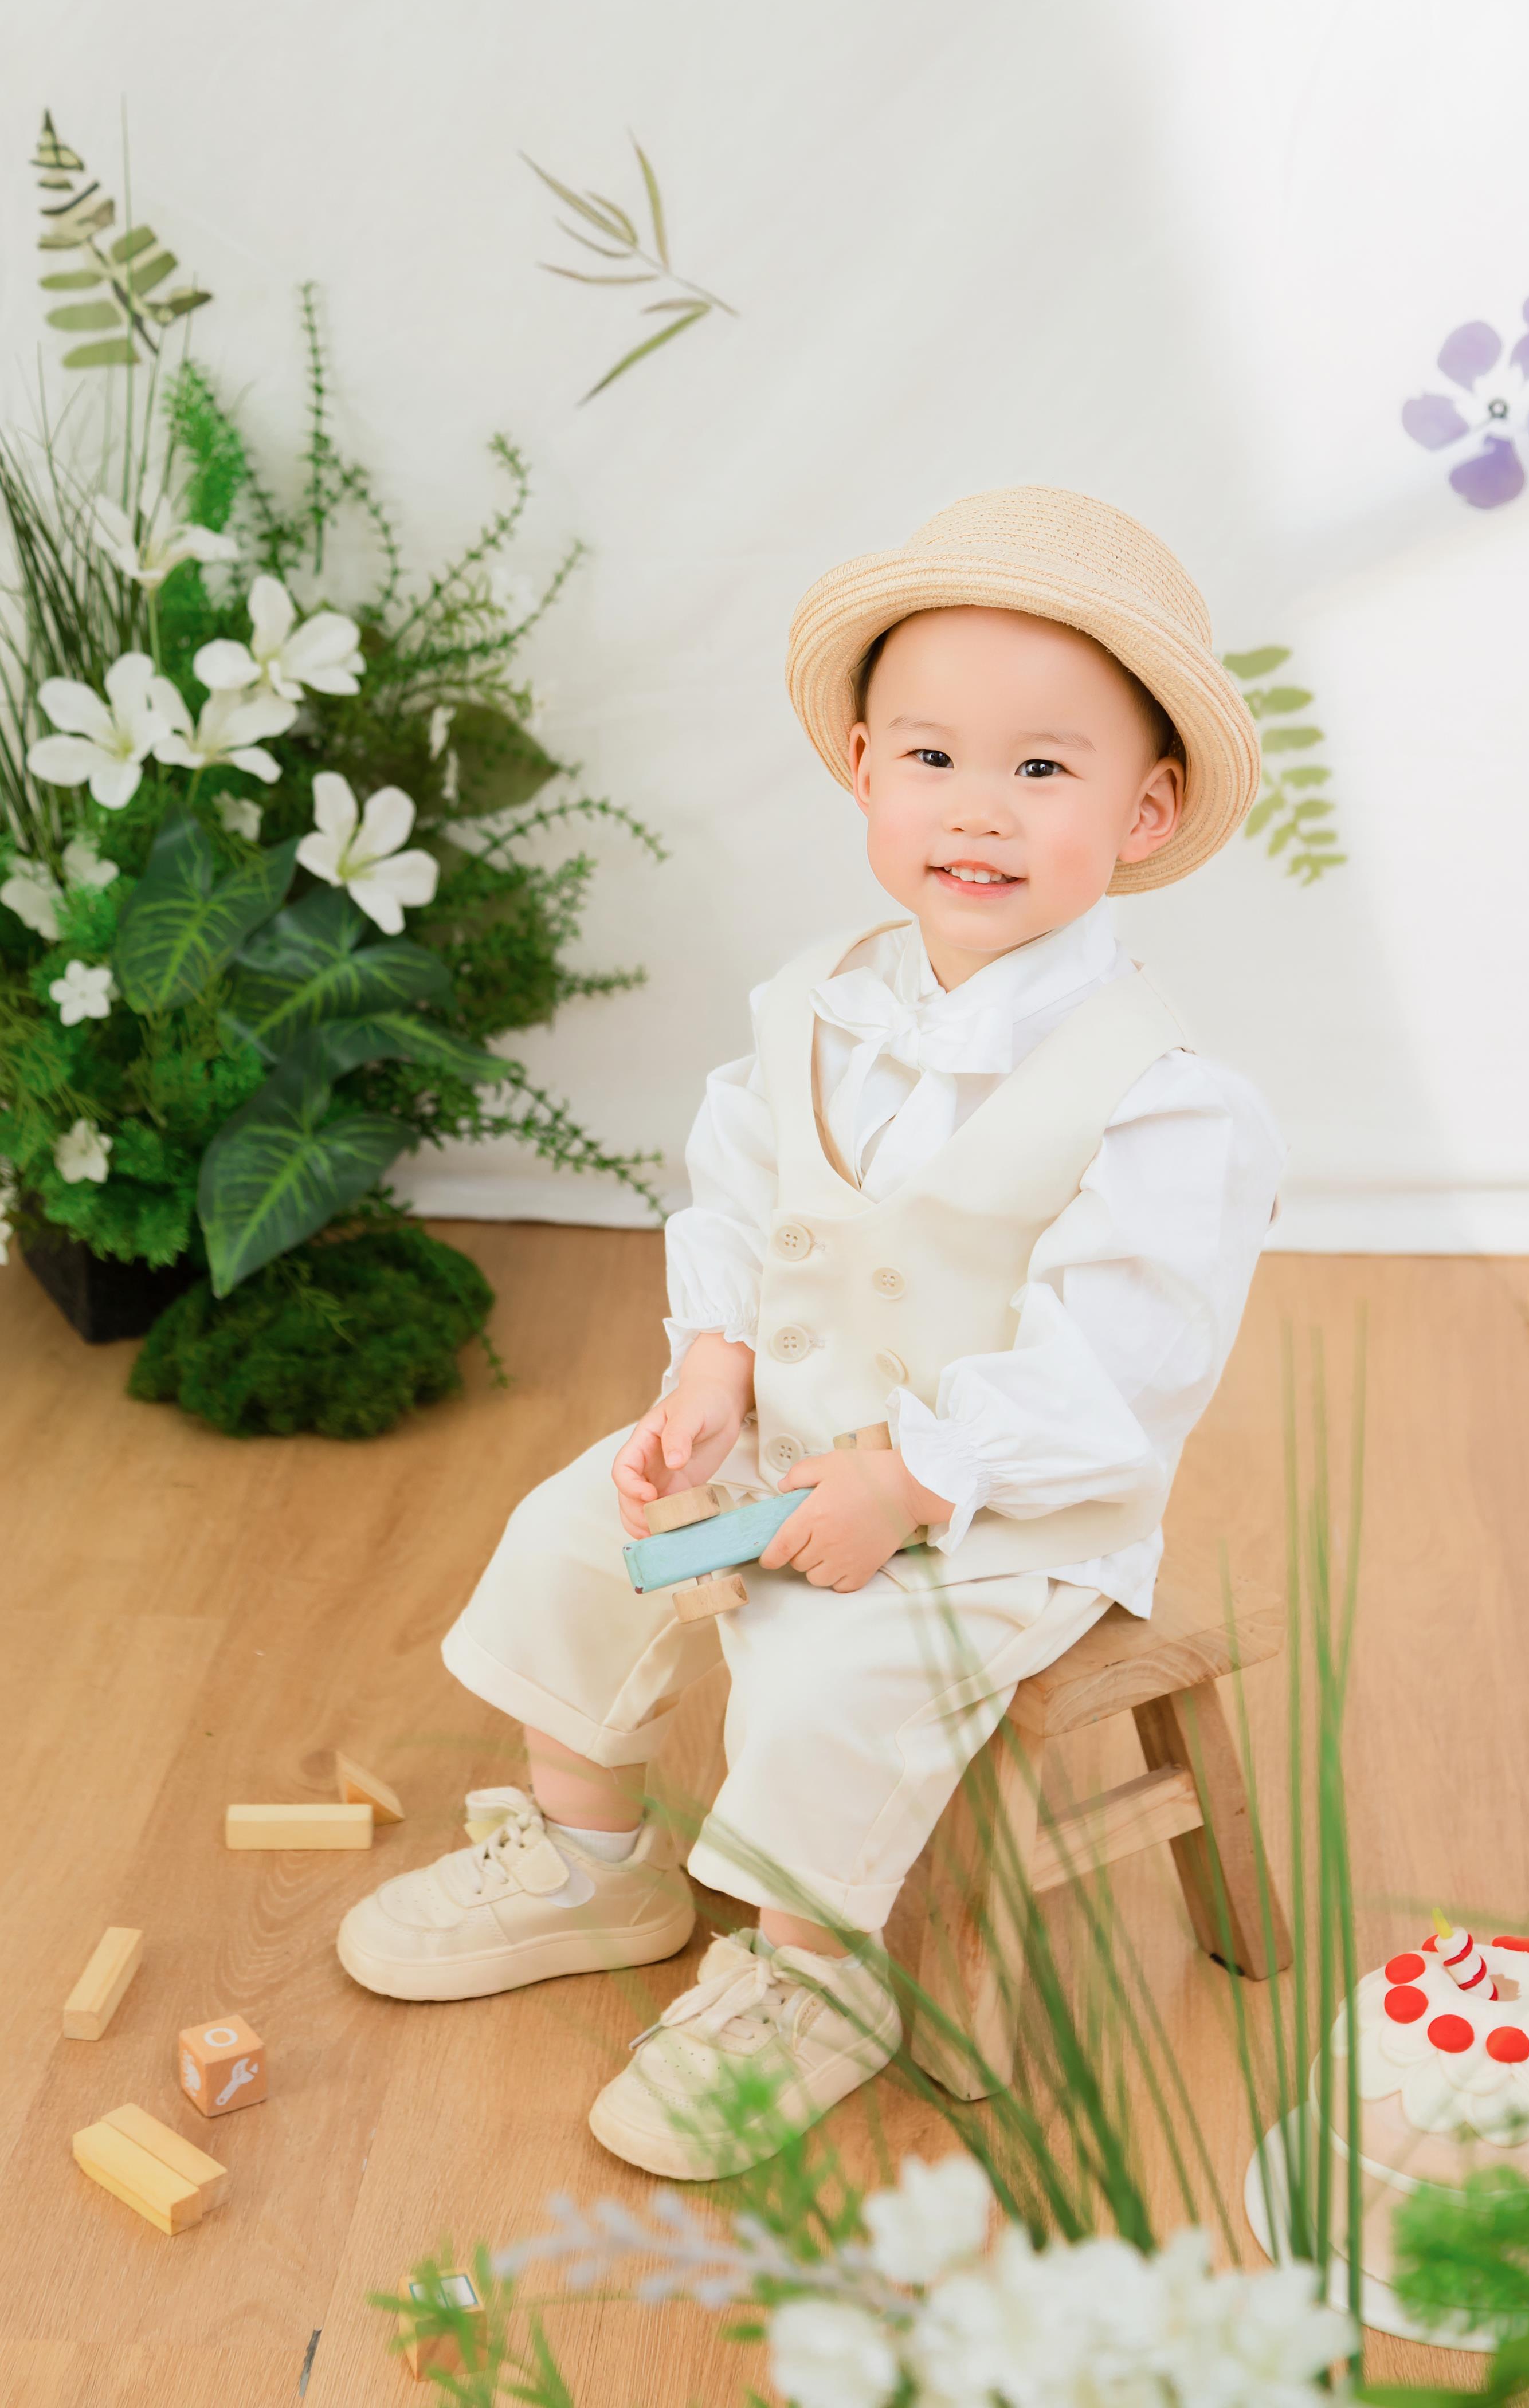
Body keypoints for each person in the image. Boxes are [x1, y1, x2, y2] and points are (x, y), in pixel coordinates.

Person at [335, 484, 1285, 2179]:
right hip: (786, 1437)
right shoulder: (821, 1006)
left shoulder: (1162, 1102)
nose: (975, 807)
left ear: (1145, 810)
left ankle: (814, 1979)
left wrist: (910, 1480)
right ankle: (592, 1857)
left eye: (1042, 768)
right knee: (577, 1535)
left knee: (833, 1674)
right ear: (862, 769)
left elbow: (1118, 1373)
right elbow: (741, 1193)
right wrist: (713, 1366)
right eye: (931, 757)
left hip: (998, 1512)